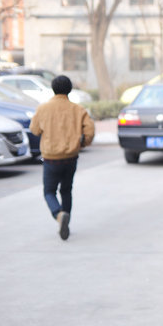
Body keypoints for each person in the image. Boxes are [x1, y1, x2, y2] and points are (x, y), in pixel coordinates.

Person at [30, 75, 95, 240]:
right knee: (66, 190)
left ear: (53, 89)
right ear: (69, 89)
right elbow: (90, 131)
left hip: (51, 158)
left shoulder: (43, 108)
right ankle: (66, 221)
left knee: (49, 191)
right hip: (71, 157)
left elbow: (35, 130)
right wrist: (81, 143)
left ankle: (58, 215)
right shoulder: (78, 109)